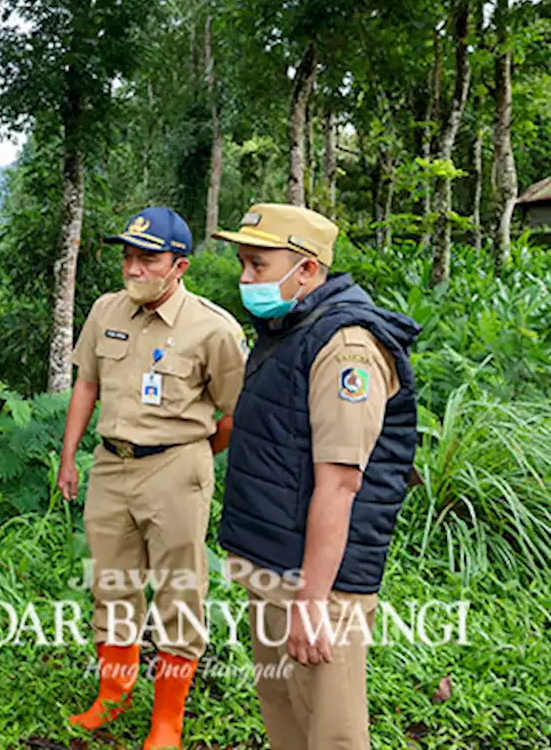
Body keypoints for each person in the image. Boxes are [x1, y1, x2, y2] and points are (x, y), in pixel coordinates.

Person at [211, 203, 420, 750]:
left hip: (318, 584)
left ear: (306, 269)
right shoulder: (287, 329)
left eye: (258, 265)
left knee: (331, 732)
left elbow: (340, 483)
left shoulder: (346, 346)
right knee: (286, 717)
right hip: (277, 565)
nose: (245, 278)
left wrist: (311, 602)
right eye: (243, 264)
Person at [60, 206, 247, 750]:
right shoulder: (104, 310)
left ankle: (167, 719)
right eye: (127, 256)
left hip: (177, 467)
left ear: (179, 266)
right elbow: (86, 386)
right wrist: (71, 456)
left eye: (148, 258)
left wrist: (189, 454)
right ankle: (112, 695)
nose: (133, 268)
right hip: (110, 465)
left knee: (179, 590)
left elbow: (233, 414)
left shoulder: (214, 328)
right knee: (112, 584)